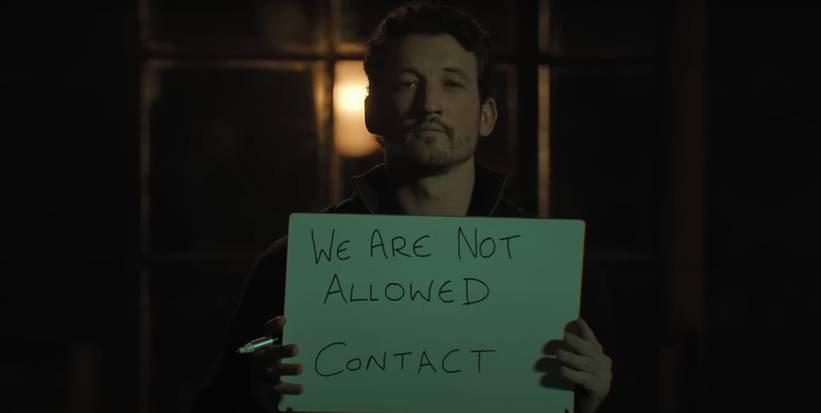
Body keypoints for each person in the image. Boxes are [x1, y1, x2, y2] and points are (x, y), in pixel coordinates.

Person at [192, 2, 612, 412]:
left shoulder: (549, 269)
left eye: (452, 82)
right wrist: (254, 396)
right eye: (407, 83)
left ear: (486, 116)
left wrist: (591, 400)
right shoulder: (293, 262)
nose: (430, 104)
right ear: (371, 111)